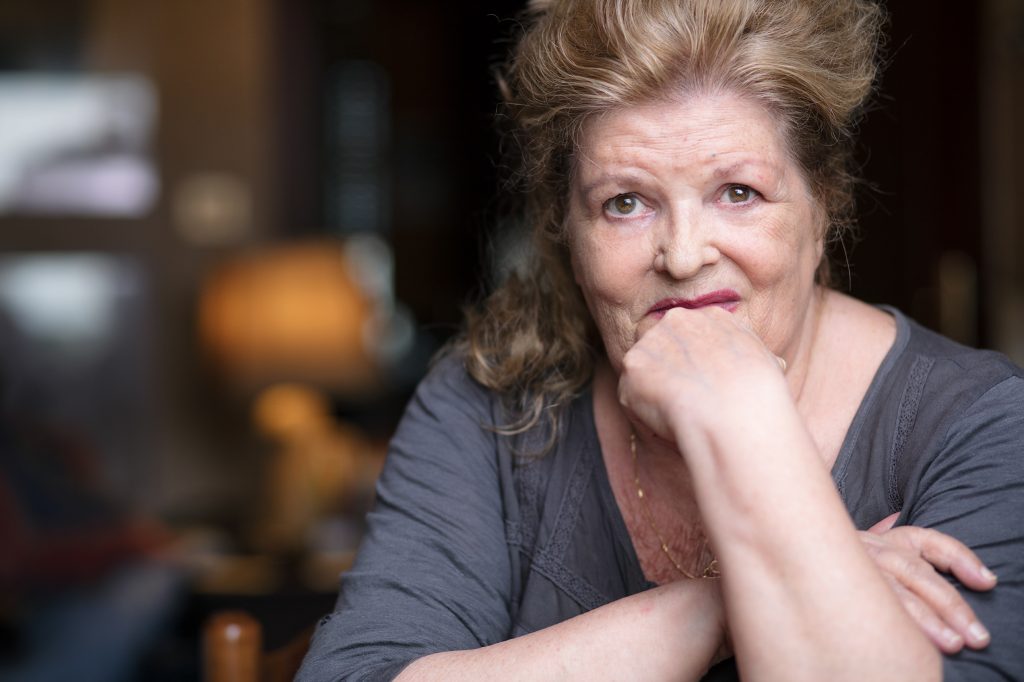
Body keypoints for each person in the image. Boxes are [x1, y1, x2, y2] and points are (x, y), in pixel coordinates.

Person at [297, 0, 1024, 679]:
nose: (682, 256)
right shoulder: (484, 406)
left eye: (738, 192)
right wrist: (714, 608)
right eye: (625, 203)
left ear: (823, 206)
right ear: (567, 233)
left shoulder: (981, 425)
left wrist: (746, 418)